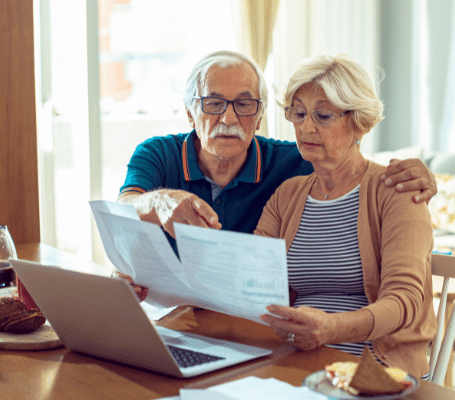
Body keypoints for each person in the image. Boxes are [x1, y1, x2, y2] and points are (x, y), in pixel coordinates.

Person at [116, 51, 436, 301]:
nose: (229, 117)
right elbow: (122, 208)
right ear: (190, 113)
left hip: (236, 315)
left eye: (244, 104)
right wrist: (160, 202)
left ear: (259, 117)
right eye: (213, 103)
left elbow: (346, 161)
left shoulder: (293, 160)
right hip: (165, 308)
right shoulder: (157, 152)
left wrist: (421, 176)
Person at [255, 53, 436, 379]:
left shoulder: (397, 191)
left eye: (323, 115)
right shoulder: (288, 194)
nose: (306, 126)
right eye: (298, 113)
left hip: (377, 369)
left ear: (359, 123)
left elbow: (405, 300)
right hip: (301, 360)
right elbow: (252, 275)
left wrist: (332, 329)